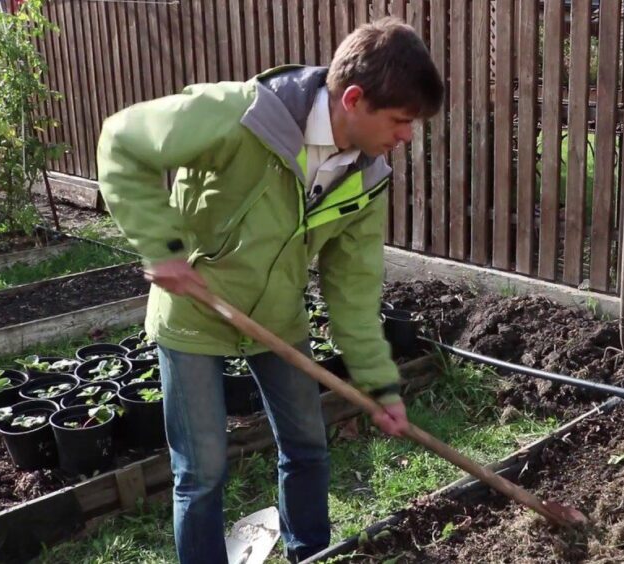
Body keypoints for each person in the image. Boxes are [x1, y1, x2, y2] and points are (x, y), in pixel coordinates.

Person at [96, 17, 443, 563]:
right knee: (202, 472)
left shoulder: (366, 177)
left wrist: (381, 387)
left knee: (307, 446)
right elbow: (122, 139)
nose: (407, 135)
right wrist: (161, 247)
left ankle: (311, 554)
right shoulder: (240, 116)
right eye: (401, 120)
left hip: (277, 318)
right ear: (354, 98)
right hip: (194, 313)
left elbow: (353, 291)